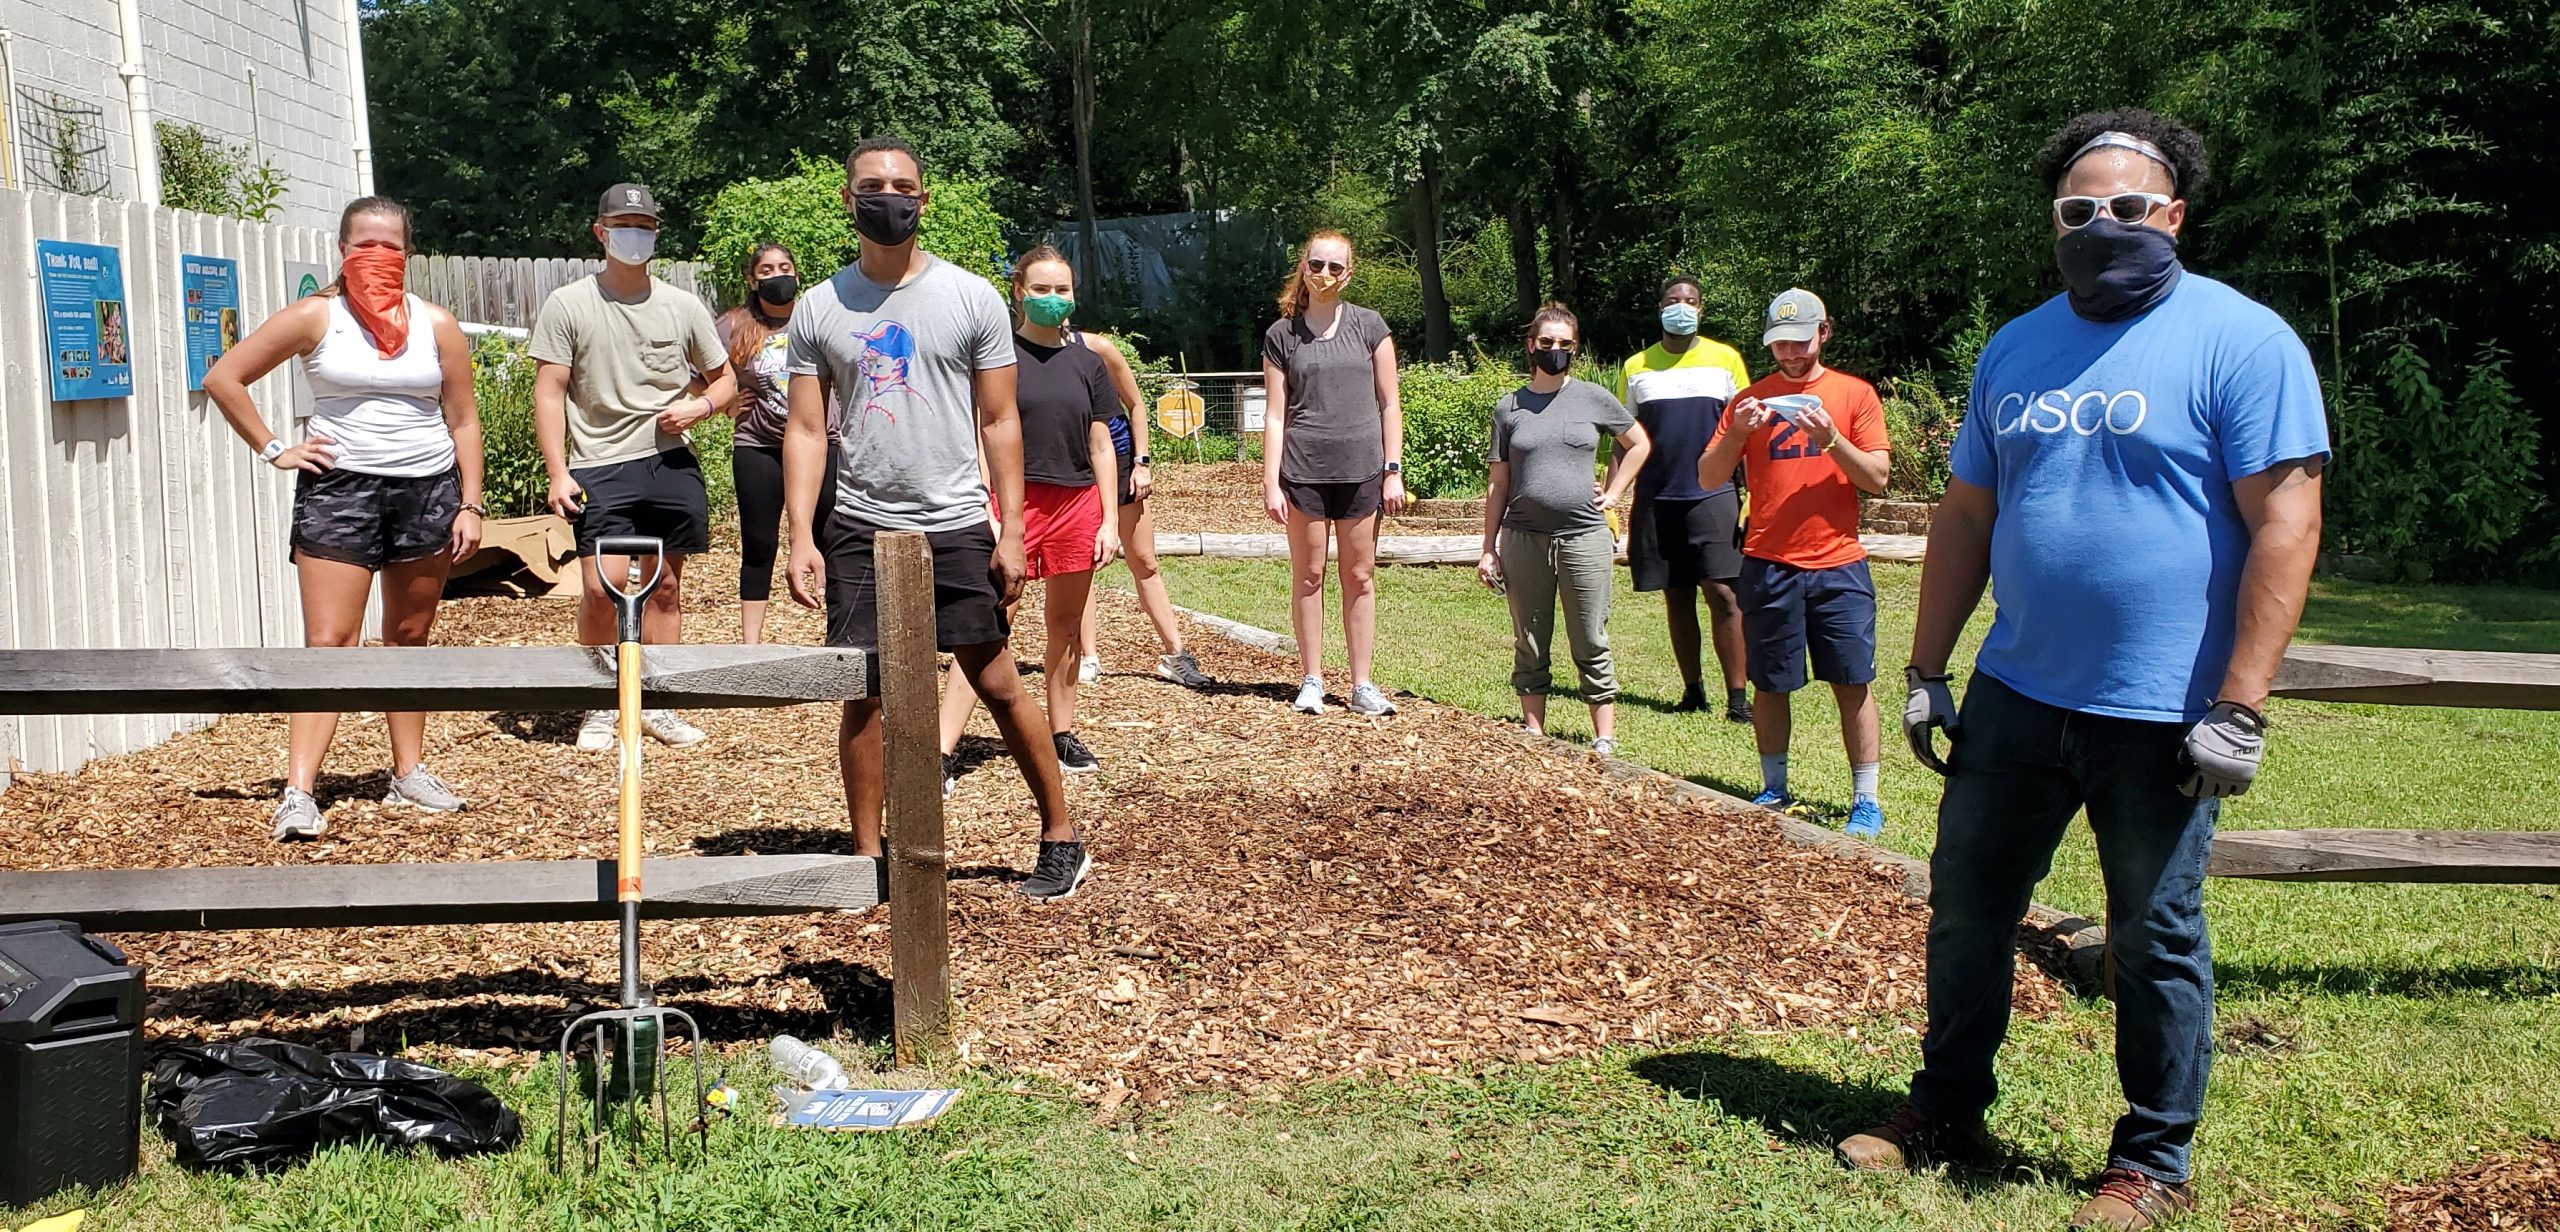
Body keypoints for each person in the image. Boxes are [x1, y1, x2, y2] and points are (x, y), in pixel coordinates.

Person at [1836, 110, 2328, 1232]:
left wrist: (2241, 705)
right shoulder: (2015, 345)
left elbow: (2287, 524)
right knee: (1965, 908)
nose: (2101, 226)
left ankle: (2151, 1160)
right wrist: (1925, 667)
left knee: (2153, 934)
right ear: (2051, 221)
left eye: (2125, 207)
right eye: (2076, 211)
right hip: (2017, 692)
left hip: (2163, 712)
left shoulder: (2242, 341)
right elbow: (1966, 513)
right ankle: (1947, 1109)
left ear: (2175, 216)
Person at [783, 136, 1089, 901]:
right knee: (864, 690)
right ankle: (867, 860)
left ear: (924, 198)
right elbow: (807, 431)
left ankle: (1060, 834)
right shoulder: (820, 306)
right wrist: (801, 536)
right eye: (873, 185)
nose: (890, 196)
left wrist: (1011, 529)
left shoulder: (972, 297)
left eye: (904, 184)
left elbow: (999, 423)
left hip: (954, 520)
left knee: (993, 678)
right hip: (858, 522)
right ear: (849, 200)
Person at [203, 195, 486, 840]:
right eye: (365, 244)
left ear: (409, 255)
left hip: (427, 490)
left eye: (390, 246)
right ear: (342, 249)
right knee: (330, 641)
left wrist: (470, 501)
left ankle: (408, 772)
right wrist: (277, 448)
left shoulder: (436, 324)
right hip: (340, 489)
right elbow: (225, 377)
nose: (377, 257)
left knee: (408, 636)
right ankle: (300, 790)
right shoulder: (314, 317)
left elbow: (463, 418)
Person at [530, 183, 737, 752]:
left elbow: (725, 379)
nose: (635, 235)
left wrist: (699, 406)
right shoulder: (569, 304)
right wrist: (558, 471)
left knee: (665, 586)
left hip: (668, 461)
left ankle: (659, 701)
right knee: (604, 587)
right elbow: (548, 392)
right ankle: (604, 701)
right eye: (624, 224)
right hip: (598, 462)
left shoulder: (681, 305)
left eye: (644, 226)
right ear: (600, 232)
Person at [1697, 289, 1893, 838]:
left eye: (1799, 342)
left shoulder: (1855, 395)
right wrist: (1738, 432)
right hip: (1768, 563)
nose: (1789, 353)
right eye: (1779, 343)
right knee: (1771, 683)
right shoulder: (1748, 401)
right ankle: (1774, 787)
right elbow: (1708, 478)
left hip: (1839, 564)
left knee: (1852, 681)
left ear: (1823, 333)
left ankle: (1866, 799)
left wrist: (1831, 439)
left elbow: (1876, 478)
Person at [938, 244, 1121, 783]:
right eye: (1040, 289)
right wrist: (986, 506)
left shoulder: (1088, 362)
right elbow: (978, 433)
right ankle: (943, 749)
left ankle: (1061, 733)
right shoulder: (999, 357)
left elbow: (1102, 444)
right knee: (986, 628)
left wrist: (1109, 519)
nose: (1052, 298)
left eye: (1061, 289)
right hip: (1012, 505)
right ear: (1018, 291)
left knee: (1065, 626)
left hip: (1077, 505)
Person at [1476, 305, 1650, 755]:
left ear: (1575, 347)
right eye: (1547, 343)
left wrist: (1613, 494)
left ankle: (1604, 736)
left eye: (1565, 344)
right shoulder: (1508, 407)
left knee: (1590, 635)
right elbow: (1498, 483)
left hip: (1584, 536)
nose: (1556, 351)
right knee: (1530, 637)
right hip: (1522, 538)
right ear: (1531, 345)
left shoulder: (1593, 398)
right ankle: (1533, 730)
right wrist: (1488, 547)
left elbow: (1639, 444)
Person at [1260, 229, 1404, 717]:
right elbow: (1276, 413)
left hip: (1363, 471)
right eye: (1316, 265)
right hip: (1303, 472)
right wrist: (1270, 479)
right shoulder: (1281, 335)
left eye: (1334, 267)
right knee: (1310, 575)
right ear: (1304, 267)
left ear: (1349, 273)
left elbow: (1390, 404)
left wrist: (1392, 470)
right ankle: (1312, 679)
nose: (1324, 275)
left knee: (1359, 575)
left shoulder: (1370, 326)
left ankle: (1362, 684)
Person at [1618, 276, 1755, 722]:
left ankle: (1738, 699)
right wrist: (1611, 499)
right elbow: (1622, 440)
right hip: (1657, 497)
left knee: (1723, 595)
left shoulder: (1725, 360)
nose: (1682, 307)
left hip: (1713, 495)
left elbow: (1748, 432)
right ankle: (1692, 690)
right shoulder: (1636, 366)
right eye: (1674, 301)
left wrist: (1752, 494)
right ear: (1659, 308)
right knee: (1676, 596)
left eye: (1690, 301)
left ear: (1701, 309)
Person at [1072, 333, 1214, 690]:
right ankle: (1088, 655)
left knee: (1144, 561)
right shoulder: (1027, 352)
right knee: (1081, 565)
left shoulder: (1099, 348)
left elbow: (1136, 405)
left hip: (1119, 460)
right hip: (1071, 466)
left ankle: (1177, 655)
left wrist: (1142, 463)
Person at [718, 242, 837, 644]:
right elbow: (699, 371)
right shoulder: (734, 325)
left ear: (797, 274)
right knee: (758, 541)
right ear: (753, 280)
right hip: (759, 443)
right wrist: (727, 402)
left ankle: (839, 635)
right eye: (767, 270)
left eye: (785, 267)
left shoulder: (817, 317)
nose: (777, 275)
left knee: (830, 536)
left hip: (823, 442)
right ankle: (750, 646)